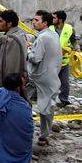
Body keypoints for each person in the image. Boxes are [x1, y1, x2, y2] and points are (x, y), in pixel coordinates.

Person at [27, 10, 62, 146]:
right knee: (47, 108)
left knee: (22, 101)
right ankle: (44, 136)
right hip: (51, 76)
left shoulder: (42, 37)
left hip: (38, 77)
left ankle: (23, 130)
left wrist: (28, 51)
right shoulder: (53, 35)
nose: (34, 23)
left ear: (45, 23)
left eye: (36, 20)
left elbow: (36, 58)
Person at [0, 9, 28, 90]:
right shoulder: (17, 35)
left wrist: (4, 88)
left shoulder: (12, 40)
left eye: (0, 21)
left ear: (9, 24)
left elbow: (11, 67)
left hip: (7, 87)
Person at [53, 10, 77, 107]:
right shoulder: (49, 28)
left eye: (54, 18)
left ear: (60, 19)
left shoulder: (69, 29)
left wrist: (77, 49)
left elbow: (74, 41)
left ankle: (63, 100)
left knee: (65, 83)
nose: (52, 19)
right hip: (51, 61)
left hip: (64, 61)